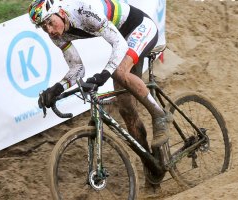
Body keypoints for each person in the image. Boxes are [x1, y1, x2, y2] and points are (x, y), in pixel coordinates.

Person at [29, 0, 170, 168]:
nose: (50, 30)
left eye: (50, 23)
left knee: (119, 72)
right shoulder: (56, 34)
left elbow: (119, 44)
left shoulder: (83, 9)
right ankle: (152, 165)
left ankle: (159, 115)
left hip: (140, 28)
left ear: (58, 11)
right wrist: (56, 89)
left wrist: (102, 76)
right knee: (126, 109)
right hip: (123, 38)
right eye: (44, 27)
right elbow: (77, 67)